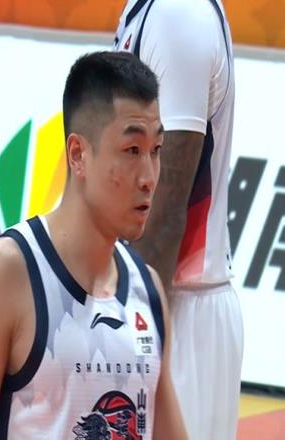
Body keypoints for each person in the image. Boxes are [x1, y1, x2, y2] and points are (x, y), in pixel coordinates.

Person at [0, 51, 186, 440]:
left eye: (156, 150)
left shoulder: (148, 289)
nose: (148, 177)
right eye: (132, 151)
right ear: (78, 154)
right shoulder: (1, 276)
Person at [113, 1, 244, 439]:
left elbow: (166, 209)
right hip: (159, 297)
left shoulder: (178, 14)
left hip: (177, 306)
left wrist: (127, 337)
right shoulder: (147, 10)